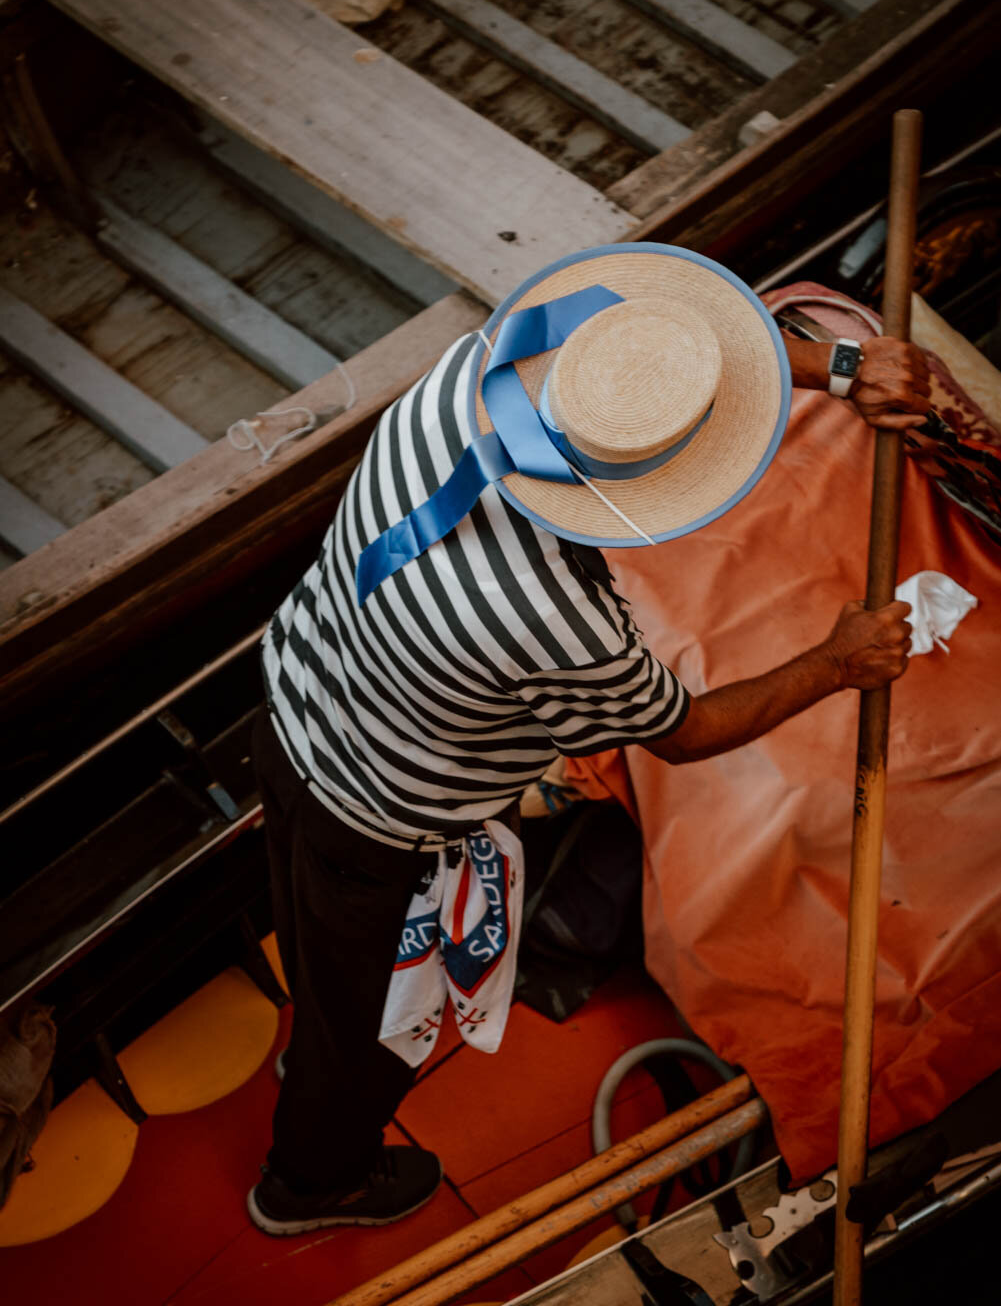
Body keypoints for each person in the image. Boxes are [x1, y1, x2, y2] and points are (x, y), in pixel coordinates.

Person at [247, 243, 930, 1236]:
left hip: (291, 691)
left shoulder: (471, 374)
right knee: (360, 1024)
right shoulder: (554, 622)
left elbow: (669, 358)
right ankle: (309, 1182)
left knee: (307, 922)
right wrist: (837, 660)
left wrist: (835, 368)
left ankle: (316, 1029)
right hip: (372, 812)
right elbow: (687, 731)